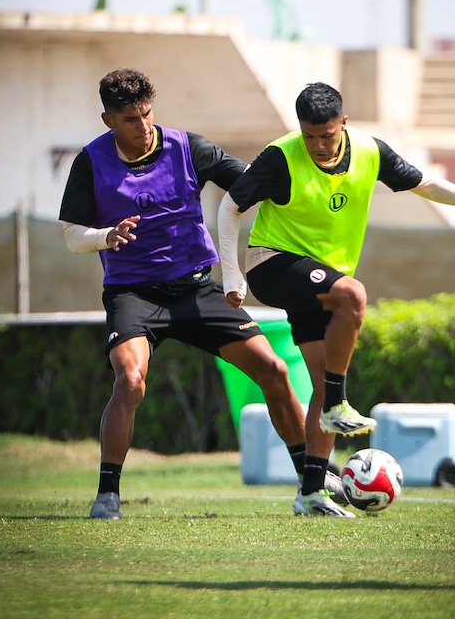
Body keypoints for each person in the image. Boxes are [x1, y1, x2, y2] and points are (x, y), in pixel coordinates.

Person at [218, 82, 455, 517]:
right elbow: (229, 206)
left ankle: (310, 493)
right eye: (309, 136)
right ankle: (339, 401)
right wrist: (232, 274)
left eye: (326, 135)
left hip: (319, 278)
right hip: (272, 264)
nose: (317, 145)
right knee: (353, 295)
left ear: (343, 123)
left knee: (322, 386)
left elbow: (426, 184)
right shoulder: (280, 156)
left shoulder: (369, 151)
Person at [59, 67, 311, 520]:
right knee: (130, 381)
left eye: (148, 114)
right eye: (131, 119)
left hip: (195, 289)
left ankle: (312, 484)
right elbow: (72, 235)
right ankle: (107, 496)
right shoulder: (90, 162)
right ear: (108, 120)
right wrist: (104, 236)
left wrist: (293, 183)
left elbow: (248, 183)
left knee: (274, 369)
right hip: (132, 295)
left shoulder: (187, 147)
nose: (144, 126)